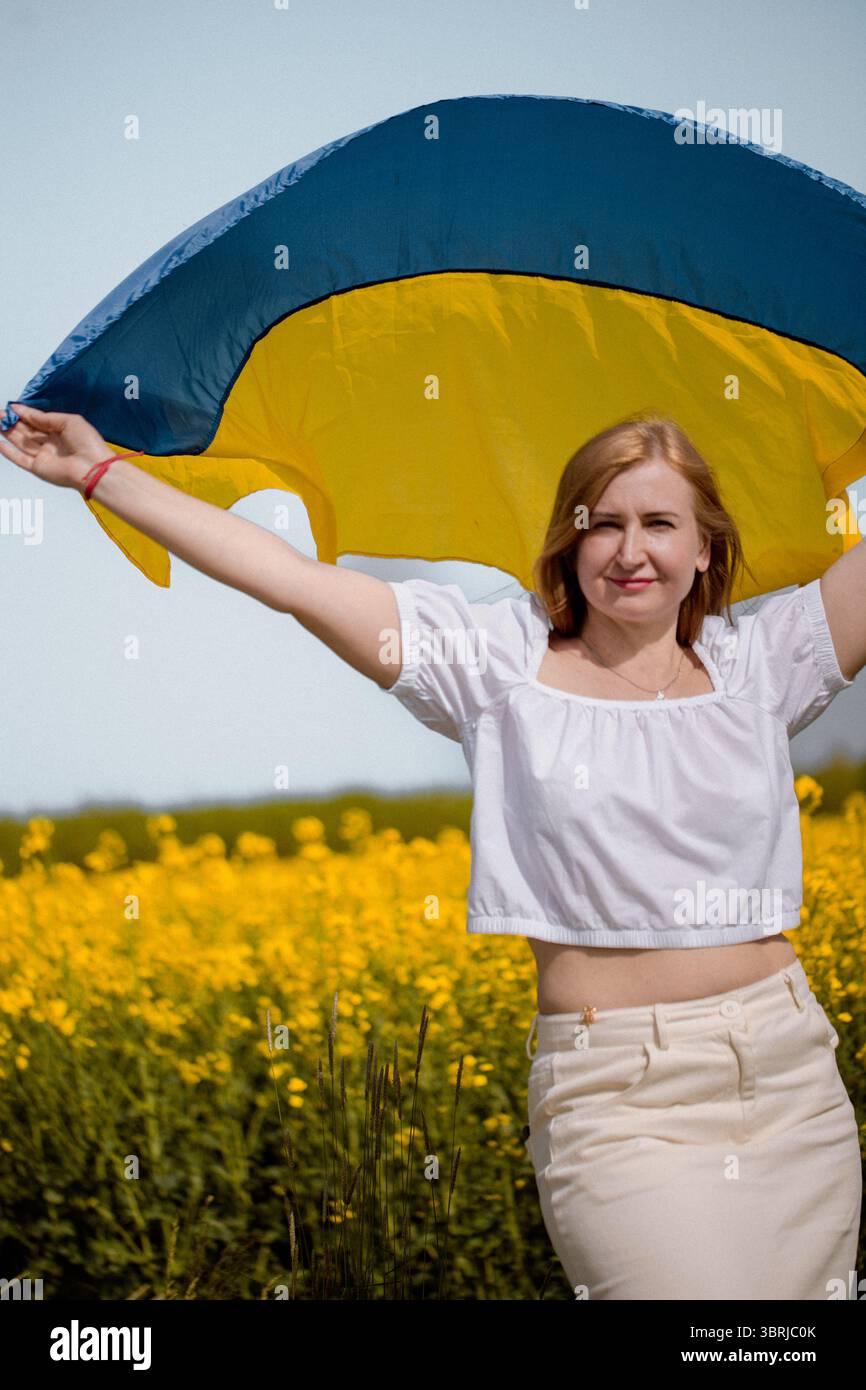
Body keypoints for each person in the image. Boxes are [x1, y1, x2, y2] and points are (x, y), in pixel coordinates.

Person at [1, 405, 863, 1300]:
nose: (629, 550)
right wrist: (101, 473)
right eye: (601, 523)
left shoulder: (764, 664)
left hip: (787, 1074)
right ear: (567, 543)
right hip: (620, 1104)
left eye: (658, 524)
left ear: (706, 551)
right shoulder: (495, 665)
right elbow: (292, 581)